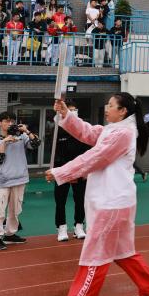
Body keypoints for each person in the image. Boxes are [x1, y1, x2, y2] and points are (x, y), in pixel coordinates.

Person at [45, 93, 149, 296]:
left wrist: (62, 172)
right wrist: (66, 115)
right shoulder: (114, 130)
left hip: (112, 203)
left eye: (111, 105)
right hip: (115, 202)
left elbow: (96, 156)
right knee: (123, 253)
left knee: (94, 257)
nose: (106, 108)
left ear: (123, 111)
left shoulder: (123, 133)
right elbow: (88, 132)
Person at [0, 112, 32, 251]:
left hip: (19, 179)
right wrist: (4, 143)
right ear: (0, 123)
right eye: (7, 121)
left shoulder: (22, 138)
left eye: (12, 121)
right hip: (2, 181)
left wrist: (26, 131)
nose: (10, 124)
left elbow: (36, 144)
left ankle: (10, 234)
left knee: (15, 210)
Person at [53, 98, 89, 242]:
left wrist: (85, 171)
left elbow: (88, 152)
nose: (72, 112)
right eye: (70, 110)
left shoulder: (83, 128)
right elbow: (55, 152)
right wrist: (56, 171)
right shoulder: (58, 129)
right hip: (61, 170)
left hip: (80, 171)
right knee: (60, 200)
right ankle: (61, 227)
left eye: (74, 110)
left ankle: (79, 226)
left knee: (80, 200)